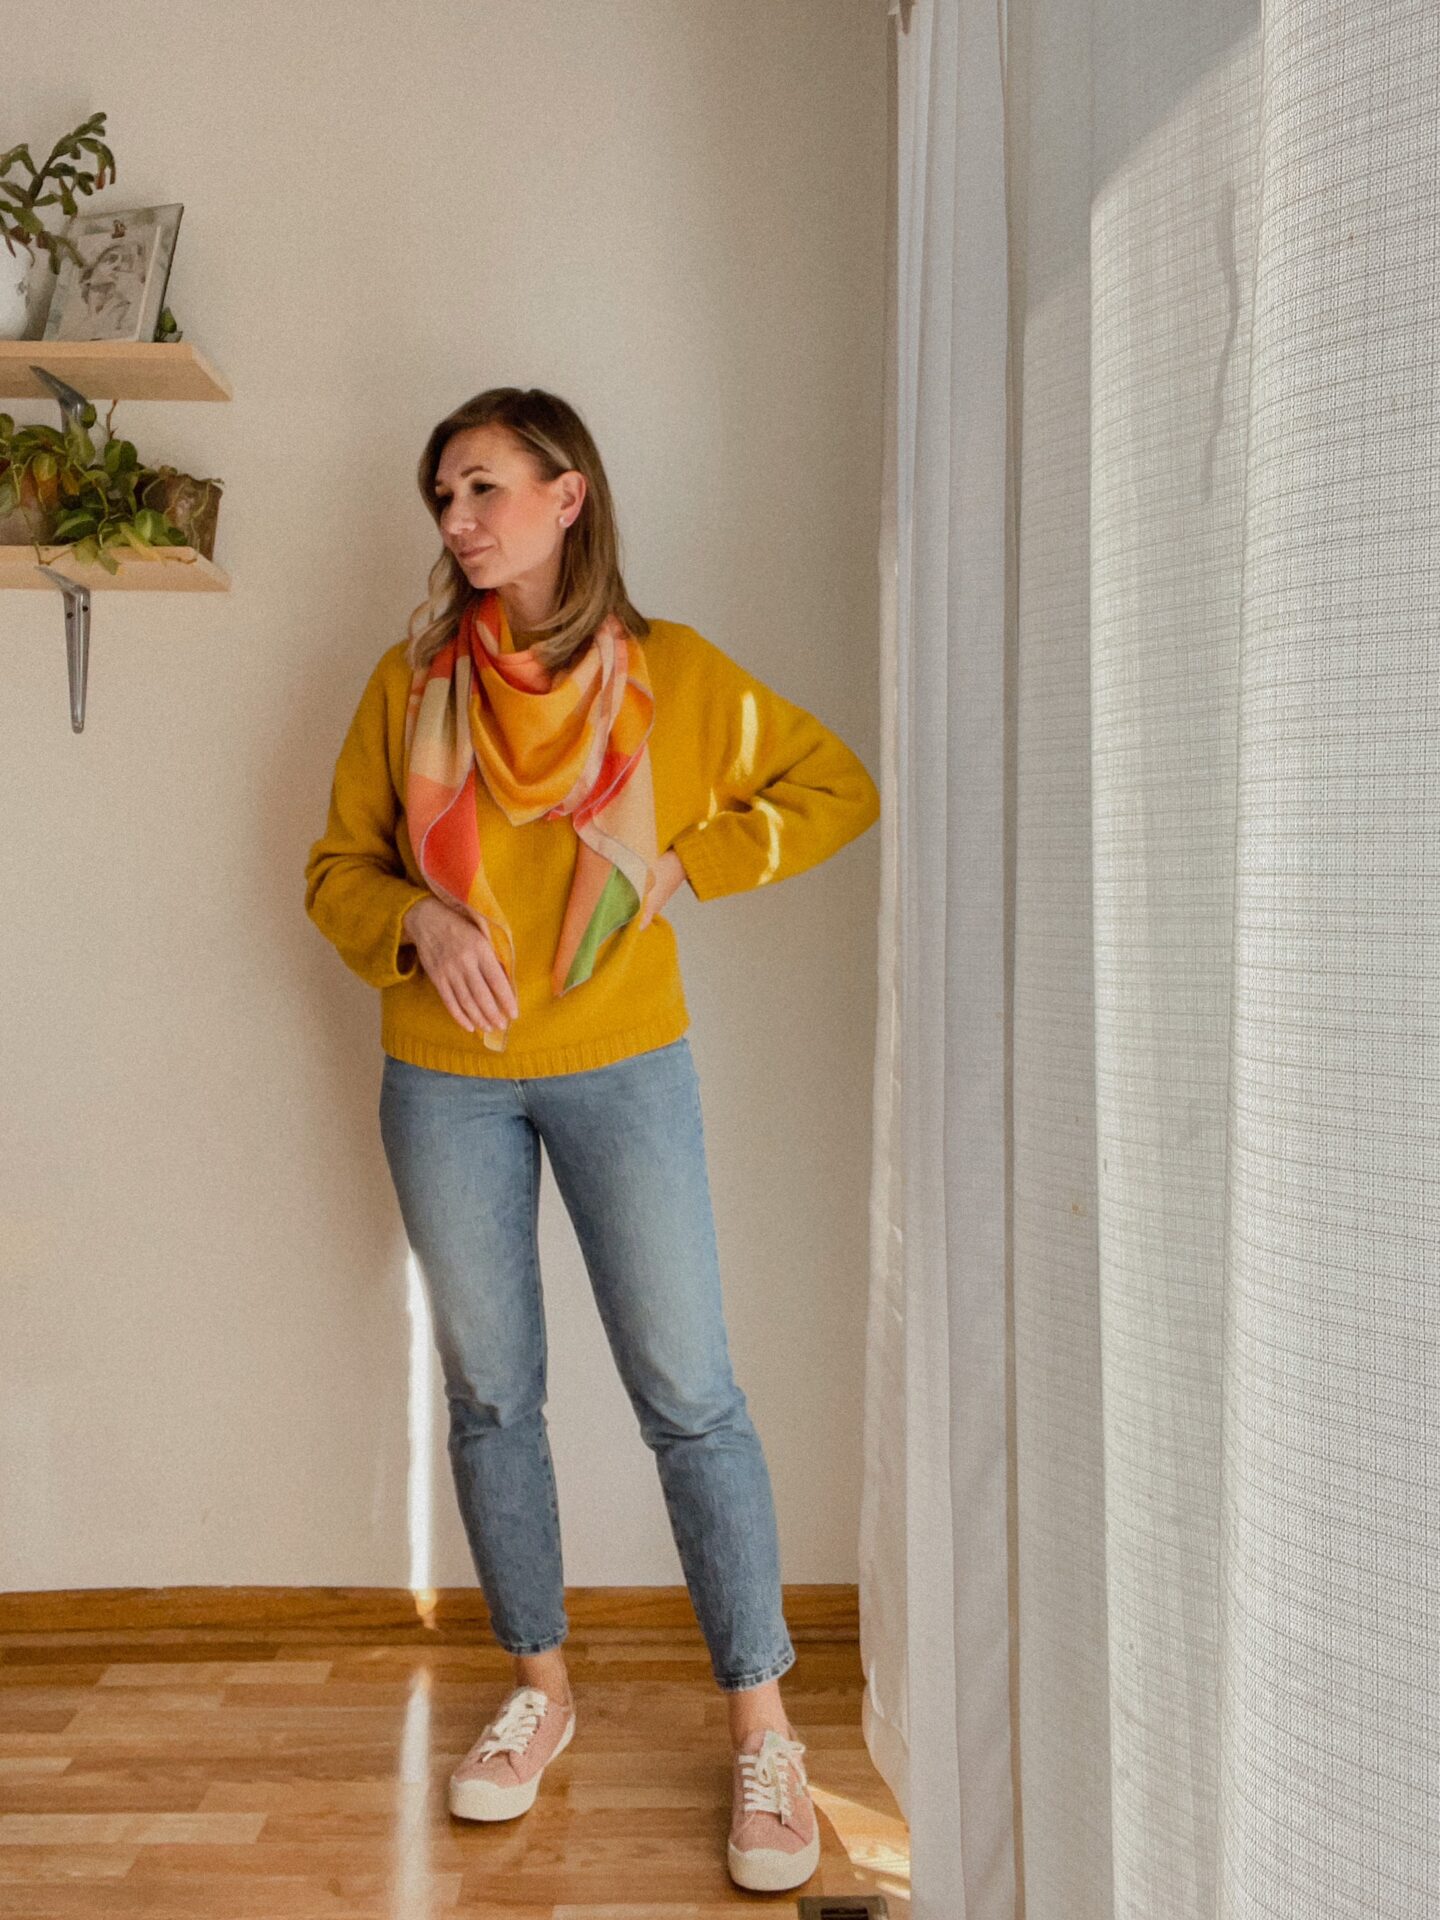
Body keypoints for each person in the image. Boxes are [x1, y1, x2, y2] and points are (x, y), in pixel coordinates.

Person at [303, 386, 880, 1893]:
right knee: (495, 1398)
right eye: (442, 497)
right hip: (443, 1081)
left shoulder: (675, 679)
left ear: (569, 496)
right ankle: (540, 1693)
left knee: (691, 1394)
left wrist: (686, 861)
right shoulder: (410, 679)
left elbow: (836, 787)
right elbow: (332, 873)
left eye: (482, 487)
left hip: (624, 1065)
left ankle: (763, 1727)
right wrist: (417, 919)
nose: (456, 521)